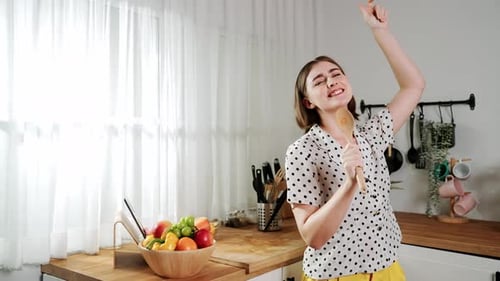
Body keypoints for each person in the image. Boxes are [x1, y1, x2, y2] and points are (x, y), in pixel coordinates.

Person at [285, 1, 425, 280]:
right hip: (335, 275)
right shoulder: (302, 151)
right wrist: (349, 184)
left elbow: (413, 85)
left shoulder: (372, 135)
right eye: (319, 81)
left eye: (336, 74)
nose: (331, 81)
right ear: (308, 102)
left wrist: (379, 31)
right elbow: (312, 236)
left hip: (386, 268)